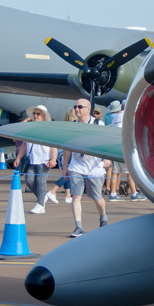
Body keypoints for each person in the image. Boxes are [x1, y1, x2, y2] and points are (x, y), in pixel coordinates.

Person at [65, 98, 109, 237]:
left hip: (94, 166)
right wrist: (65, 166)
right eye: (75, 106)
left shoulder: (98, 124)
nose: (76, 109)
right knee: (75, 196)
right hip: (76, 165)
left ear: (88, 109)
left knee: (97, 198)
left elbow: (105, 143)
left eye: (80, 107)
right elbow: (67, 147)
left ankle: (103, 216)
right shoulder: (72, 125)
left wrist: (106, 159)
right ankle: (78, 226)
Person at [13, 105, 56, 214]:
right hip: (32, 160)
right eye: (34, 114)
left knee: (41, 182)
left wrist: (53, 158)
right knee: (29, 180)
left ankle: (40, 205)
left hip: (44, 161)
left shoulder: (49, 129)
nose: (36, 116)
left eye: (38, 114)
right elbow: (24, 145)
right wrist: (18, 158)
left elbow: (53, 146)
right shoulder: (30, 127)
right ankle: (42, 197)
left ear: (43, 116)